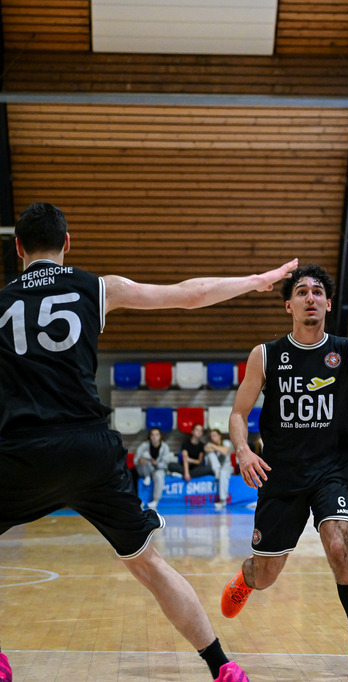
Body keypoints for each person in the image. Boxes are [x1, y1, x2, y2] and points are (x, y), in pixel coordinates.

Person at [0, 201, 297, 682]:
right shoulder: (98, 288)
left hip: (19, 452)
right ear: (68, 244)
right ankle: (221, 666)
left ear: (18, 249)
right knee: (148, 565)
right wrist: (254, 282)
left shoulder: (2, 303)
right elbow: (189, 293)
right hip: (88, 449)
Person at [219, 264, 348, 681]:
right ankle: (247, 577)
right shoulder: (266, 354)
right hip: (282, 475)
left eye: (318, 292)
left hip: (332, 472)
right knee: (267, 575)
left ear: (328, 303)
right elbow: (238, 413)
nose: (310, 297)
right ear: (288, 304)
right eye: (302, 291)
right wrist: (241, 449)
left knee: (338, 545)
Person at [133, 427, 176, 510]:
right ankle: (147, 476)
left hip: (158, 469)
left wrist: (157, 463)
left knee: (159, 476)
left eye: (157, 435)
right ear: (149, 436)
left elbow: (165, 464)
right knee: (145, 456)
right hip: (145, 468)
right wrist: (140, 460)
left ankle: (155, 500)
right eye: (152, 435)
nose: (154, 437)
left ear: (160, 436)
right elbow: (135, 460)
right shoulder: (144, 446)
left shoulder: (165, 447)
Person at [204, 428, 234, 510]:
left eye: (214, 435)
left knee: (223, 473)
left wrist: (214, 446)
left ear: (219, 436)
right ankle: (217, 472)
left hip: (227, 466)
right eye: (211, 436)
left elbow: (225, 451)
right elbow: (206, 449)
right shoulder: (209, 444)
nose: (212, 438)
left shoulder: (226, 442)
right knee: (210, 454)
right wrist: (215, 447)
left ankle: (223, 500)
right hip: (214, 468)